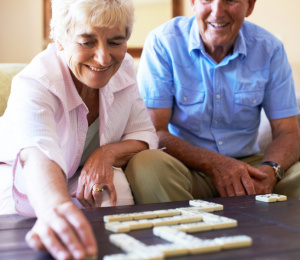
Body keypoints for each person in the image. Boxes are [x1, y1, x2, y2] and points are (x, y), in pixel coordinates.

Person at [0, 0, 159, 259]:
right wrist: (55, 206)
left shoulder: (125, 67)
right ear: (60, 39)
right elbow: (37, 152)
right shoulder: (36, 81)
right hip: (23, 179)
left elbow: (143, 134)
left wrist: (105, 154)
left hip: (80, 178)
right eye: (87, 42)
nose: (103, 57)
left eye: (115, 42)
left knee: (116, 190)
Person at [128, 0, 300, 203]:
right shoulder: (163, 42)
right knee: (145, 165)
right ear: (193, 3)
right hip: (186, 166)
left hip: (250, 167)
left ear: (250, 6)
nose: (217, 12)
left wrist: (269, 172)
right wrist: (214, 163)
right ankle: (186, 233)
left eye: (231, 0)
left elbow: (287, 131)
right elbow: (154, 131)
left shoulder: (270, 49)